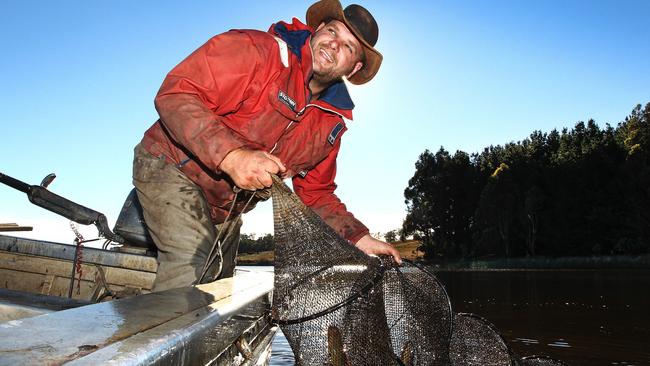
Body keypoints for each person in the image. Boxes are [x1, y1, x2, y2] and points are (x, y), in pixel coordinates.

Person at [133, 0, 401, 291]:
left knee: (218, 286)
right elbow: (177, 92)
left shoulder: (330, 125)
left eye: (349, 47)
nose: (335, 45)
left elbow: (316, 194)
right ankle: (162, 336)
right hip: (170, 165)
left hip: (228, 207)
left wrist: (358, 237)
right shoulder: (258, 50)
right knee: (191, 265)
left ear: (355, 67)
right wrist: (232, 156)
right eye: (333, 32)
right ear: (319, 29)